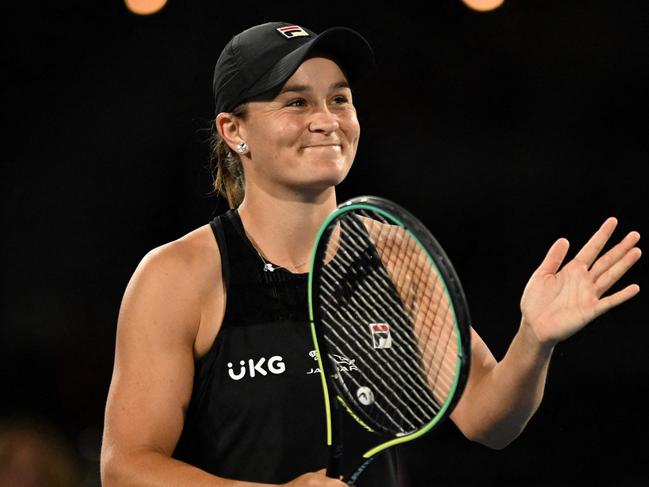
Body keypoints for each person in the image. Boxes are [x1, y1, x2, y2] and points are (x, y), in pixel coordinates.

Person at [99, 21, 642, 487]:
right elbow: (125, 468)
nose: (326, 119)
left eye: (339, 98)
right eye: (296, 102)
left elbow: (487, 419)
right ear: (234, 130)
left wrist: (534, 340)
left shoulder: (394, 255)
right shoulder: (177, 276)